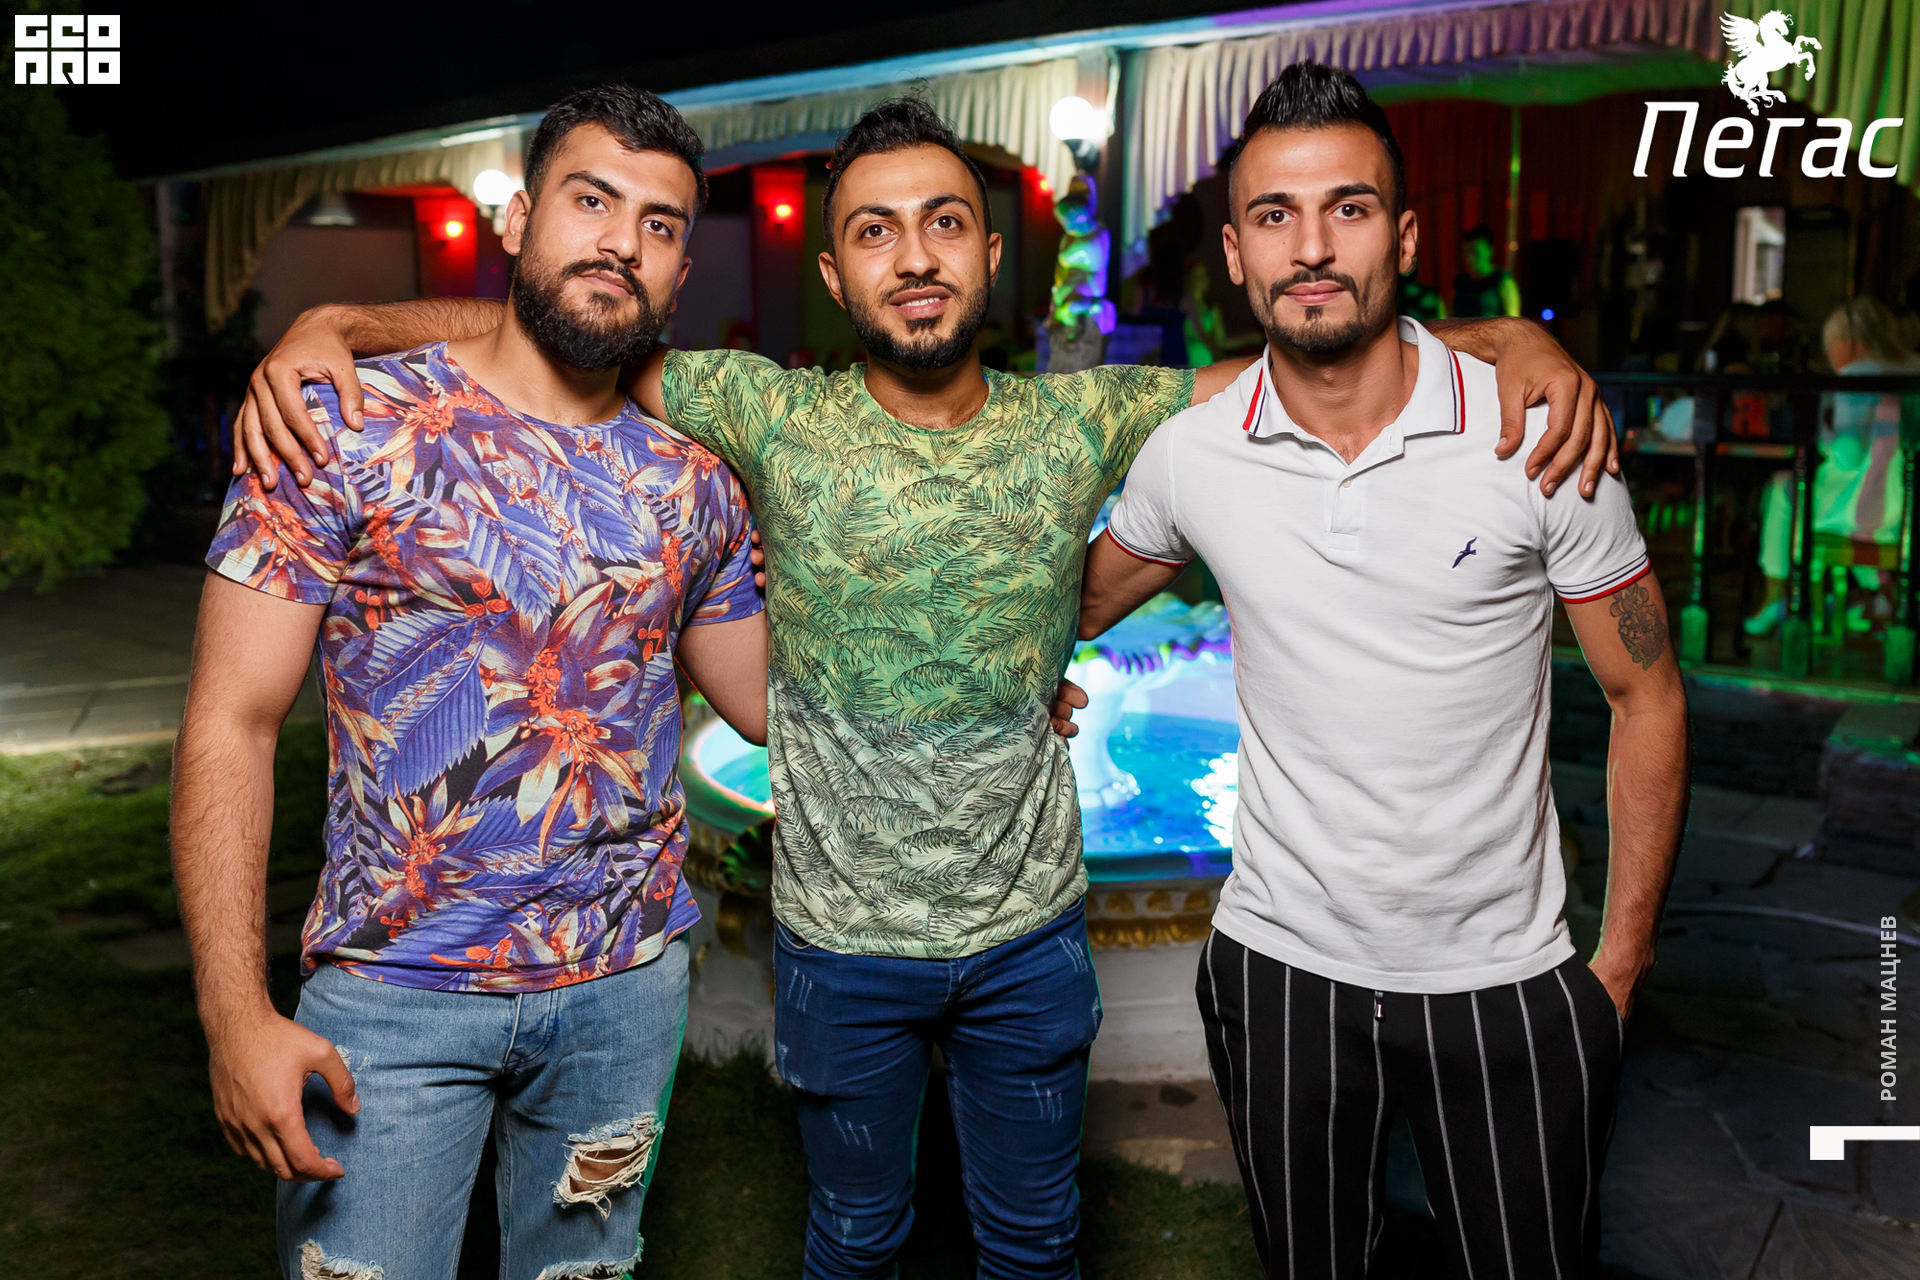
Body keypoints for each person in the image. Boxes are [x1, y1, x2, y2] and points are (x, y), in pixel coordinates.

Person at [231, 93, 1618, 1279]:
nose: (914, 257)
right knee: (853, 1242)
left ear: (990, 254)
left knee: (1036, 1244)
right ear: (836, 277)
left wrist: (1509, 338)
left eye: (945, 223)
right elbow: (560, 321)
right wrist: (345, 320)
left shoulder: (1084, 418)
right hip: (840, 949)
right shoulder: (766, 412)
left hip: (1029, 944)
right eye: (875, 231)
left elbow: (1321, 346)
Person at [1074, 64, 1687, 1279]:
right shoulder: (1192, 456)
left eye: (1347, 209)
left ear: (1402, 236)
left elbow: (1646, 693)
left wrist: (1617, 968)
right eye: (1274, 215)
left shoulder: (1536, 433)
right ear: (1236, 255)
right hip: (1279, 974)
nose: (1310, 247)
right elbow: (1071, 604)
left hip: (1505, 979)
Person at [170, 86, 772, 1280]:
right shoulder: (343, 424)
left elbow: (764, 704)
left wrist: (991, 671)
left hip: (623, 992)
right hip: (392, 1000)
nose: (621, 241)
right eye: (590, 200)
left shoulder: (696, 477)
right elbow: (230, 720)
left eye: (657, 224)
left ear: (681, 265)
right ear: (517, 217)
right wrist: (234, 1015)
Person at [1746, 296, 1918, 636]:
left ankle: (1779, 597)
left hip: (1867, 509)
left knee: (1783, 489)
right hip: (1909, 512)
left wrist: (1823, 434)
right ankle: (1875, 593)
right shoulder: (1915, 366)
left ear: (1851, 342)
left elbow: (1847, 455)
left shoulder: (1857, 374)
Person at [1453, 223, 1521, 318]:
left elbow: (1513, 320)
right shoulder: (1461, 282)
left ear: (1489, 251)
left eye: (1475, 252)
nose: (1470, 258)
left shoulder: (1502, 281)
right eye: (1466, 252)